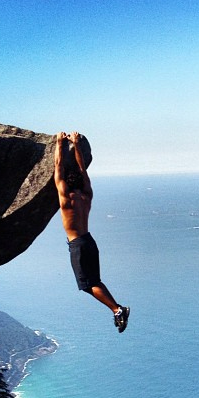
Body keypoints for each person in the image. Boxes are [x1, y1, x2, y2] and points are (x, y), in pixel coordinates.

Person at [54, 131, 129, 333]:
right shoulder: (86, 194)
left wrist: (59, 144)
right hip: (89, 240)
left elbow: (58, 167)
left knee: (88, 285)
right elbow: (82, 170)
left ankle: (117, 309)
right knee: (94, 281)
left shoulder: (65, 197)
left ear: (67, 184)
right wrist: (76, 145)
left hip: (77, 245)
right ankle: (117, 309)